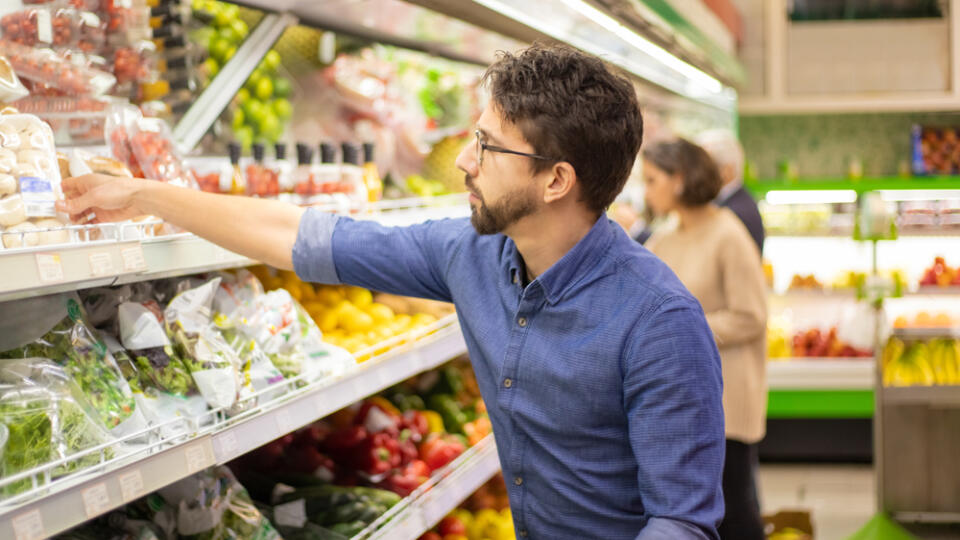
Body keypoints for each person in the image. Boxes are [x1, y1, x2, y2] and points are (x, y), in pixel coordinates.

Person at [58, 45, 725, 539]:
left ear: (557, 181)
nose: (464, 161)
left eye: (488, 149)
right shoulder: (475, 254)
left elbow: (681, 523)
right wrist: (144, 195)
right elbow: (302, 235)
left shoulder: (658, 321)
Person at [642, 138, 768, 540]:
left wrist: (683, 328)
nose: (646, 191)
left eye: (651, 180)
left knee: (734, 508)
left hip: (727, 397)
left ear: (679, 181)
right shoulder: (666, 236)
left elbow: (752, 316)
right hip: (686, 396)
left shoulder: (728, 235)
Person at [695, 129, 765, 254]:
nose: (697, 175)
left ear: (727, 170)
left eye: (704, 167)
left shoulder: (737, 212)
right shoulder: (731, 203)